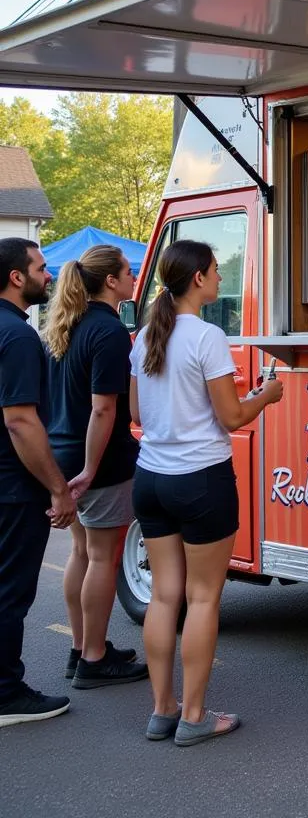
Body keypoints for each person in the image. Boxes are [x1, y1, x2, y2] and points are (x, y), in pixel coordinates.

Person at [129, 239, 283, 746]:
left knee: (164, 596)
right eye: (216, 272)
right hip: (201, 480)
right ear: (197, 278)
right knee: (201, 598)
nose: (220, 279)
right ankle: (194, 716)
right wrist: (267, 394)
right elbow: (233, 415)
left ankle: (161, 710)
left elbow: (135, 414)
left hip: (151, 478)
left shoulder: (146, 335)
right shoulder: (208, 336)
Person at [43, 245, 148, 689]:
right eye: (128, 271)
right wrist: (90, 468)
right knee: (103, 556)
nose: (133, 277)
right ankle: (95, 657)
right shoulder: (108, 332)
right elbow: (104, 409)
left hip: (62, 450)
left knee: (82, 553)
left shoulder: (67, 326)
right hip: (97, 460)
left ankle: (81, 648)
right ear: (110, 281)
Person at [0, 238, 76, 727]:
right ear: (16, 276)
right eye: (41, 268)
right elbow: (21, 422)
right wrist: (58, 488)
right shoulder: (20, 337)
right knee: (10, 590)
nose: (47, 277)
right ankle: (6, 694)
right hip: (13, 488)